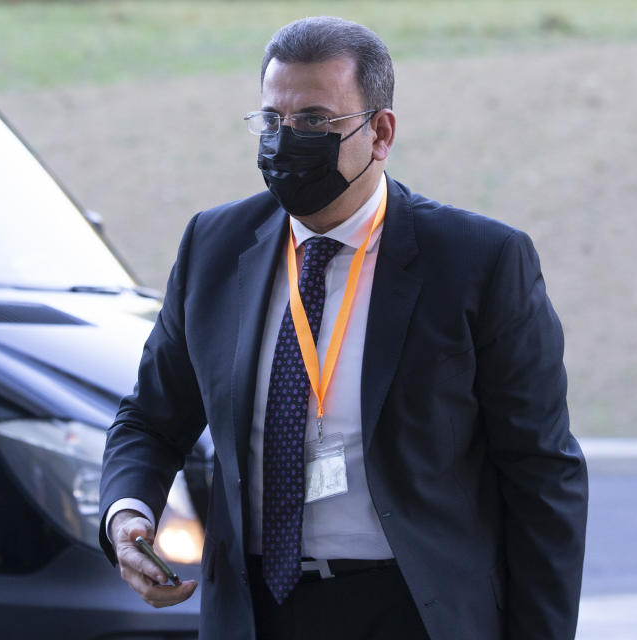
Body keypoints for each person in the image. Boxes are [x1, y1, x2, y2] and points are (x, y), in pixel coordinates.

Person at [100, 16, 588, 640]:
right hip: (250, 613)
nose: (285, 141)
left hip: (412, 607)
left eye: (313, 122)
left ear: (380, 132)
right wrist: (127, 513)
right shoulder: (213, 246)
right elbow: (150, 416)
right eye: (271, 122)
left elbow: (542, 472)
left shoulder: (479, 262)